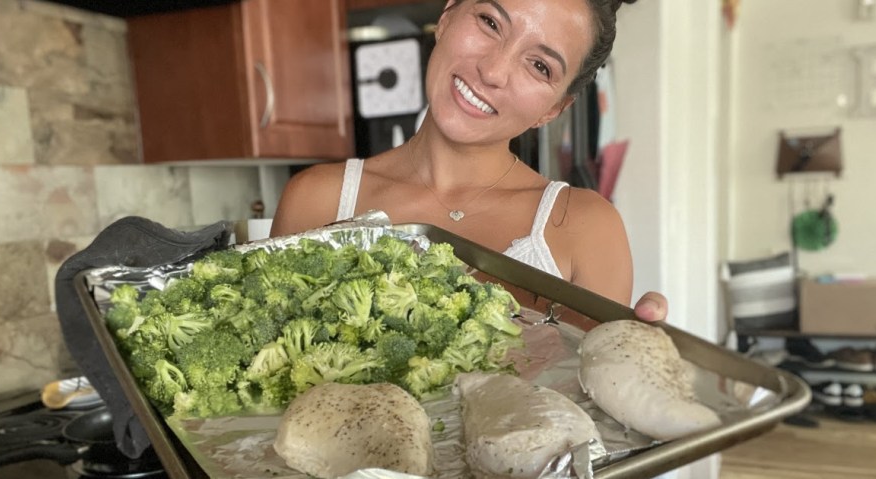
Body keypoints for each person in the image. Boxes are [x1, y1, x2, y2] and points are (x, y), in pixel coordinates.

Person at [271, 0, 667, 323]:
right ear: (446, 18)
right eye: (490, 22)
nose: (492, 71)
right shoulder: (316, 200)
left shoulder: (587, 229)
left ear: (554, 109)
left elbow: (596, 406)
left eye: (540, 66)